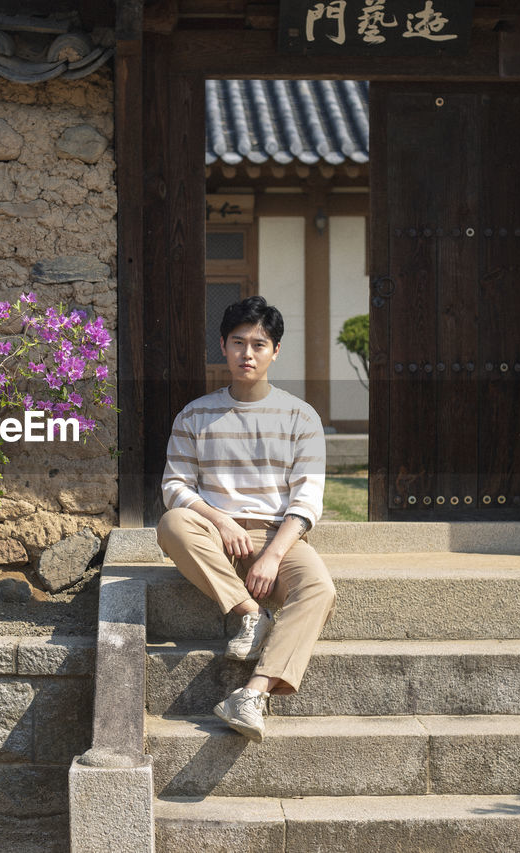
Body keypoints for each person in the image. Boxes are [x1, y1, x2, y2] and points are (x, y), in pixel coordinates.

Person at [156, 295, 336, 742]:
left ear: (275, 351)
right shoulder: (195, 415)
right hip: (216, 536)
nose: (247, 353)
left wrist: (273, 555)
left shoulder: (301, 417)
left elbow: (308, 498)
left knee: (319, 588)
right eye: (238, 343)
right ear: (222, 345)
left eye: (259, 344)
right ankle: (249, 614)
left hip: (279, 538)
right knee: (172, 524)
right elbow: (174, 486)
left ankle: (251, 694)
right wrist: (220, 521)